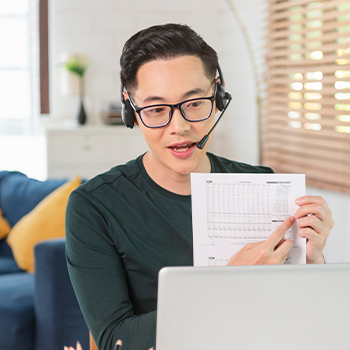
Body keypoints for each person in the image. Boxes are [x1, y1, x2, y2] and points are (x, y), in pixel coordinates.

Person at [65, 23, 334, 350]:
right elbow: (115, 341)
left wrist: (313, 261)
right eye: (156, 109)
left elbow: (302, 319)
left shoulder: (260, 184)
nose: (179, 127)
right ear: (130, 109)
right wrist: (226, 283)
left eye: (194, 103)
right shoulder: (95, 206)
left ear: (218, 95)